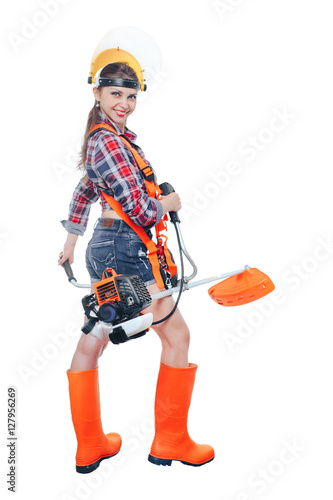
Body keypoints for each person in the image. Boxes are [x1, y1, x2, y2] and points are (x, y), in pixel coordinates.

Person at [59, 49, 214, 473]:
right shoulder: (109, 140)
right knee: (175, 336)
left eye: (130, 96)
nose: (123, 103)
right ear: (97, 93)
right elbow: (140, 207)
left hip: (111, 246)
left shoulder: (107, 138)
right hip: (125, 248)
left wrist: (71, 240)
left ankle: (91, 444)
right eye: (114, 94)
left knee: (98, 332)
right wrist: (167, 203)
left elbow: (86, 191)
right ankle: (171, 440)